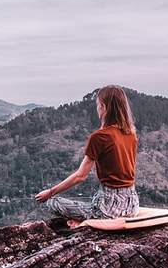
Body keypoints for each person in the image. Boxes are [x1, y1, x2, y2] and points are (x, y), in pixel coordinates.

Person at [35, 85, 140, 228]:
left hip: (108, 210)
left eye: (98, 105)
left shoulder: (100, 137)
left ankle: (86, 222)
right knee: (93, 199)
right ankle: (85, 219)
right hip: (132, 205)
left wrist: (50, 192)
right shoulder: (131, 133)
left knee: (53, 202)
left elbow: (80, 176)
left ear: (103, 107)